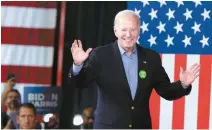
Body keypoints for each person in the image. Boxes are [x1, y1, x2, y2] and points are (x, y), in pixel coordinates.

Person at [70, 10, 200, 129]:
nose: (128, 34)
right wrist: (78, 64)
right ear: (115, 31)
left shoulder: (151, 57)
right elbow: (80, 83)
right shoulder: (100, 55)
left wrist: (183, 84)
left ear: (139, 31)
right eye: (124, 30)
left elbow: (166, 91)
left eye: (133, 29)